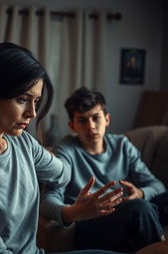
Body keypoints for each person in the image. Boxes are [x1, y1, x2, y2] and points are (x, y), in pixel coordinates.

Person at [0, 43, 125, 254]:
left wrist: (71, 212)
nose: (33, 113)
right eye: (23, 100)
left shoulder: (22, 143)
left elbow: (63, 174)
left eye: (36, 101)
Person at [40, 86, 168, 253]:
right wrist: (73, 212)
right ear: (72, 126)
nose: (91, 126)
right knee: (140, 208)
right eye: (82, 120)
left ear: (107, 119)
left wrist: (141, 193)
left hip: (125, 211)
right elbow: (47, 201)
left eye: (96, 118)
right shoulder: (65, 150)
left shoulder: (122, 145)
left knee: (150, 203)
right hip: (89, 224)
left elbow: (157, 185)